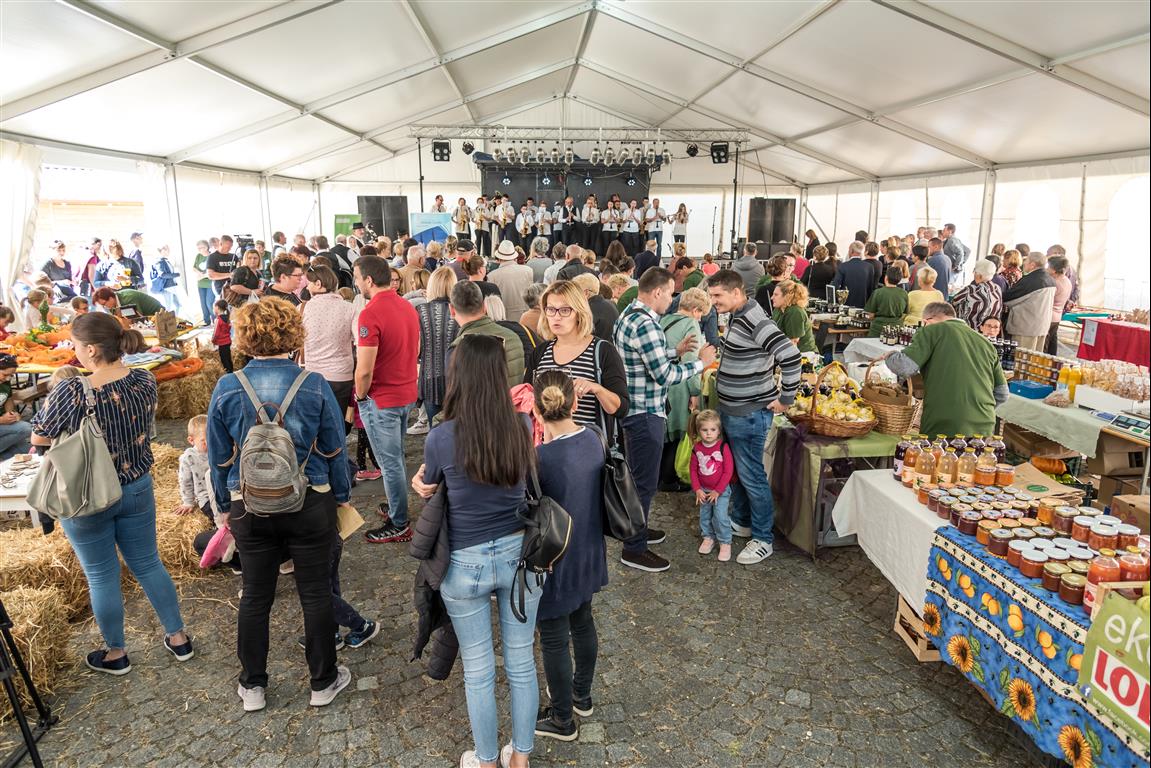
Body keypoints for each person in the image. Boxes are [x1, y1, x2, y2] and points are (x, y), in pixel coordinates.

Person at [207, 299, 353, 712]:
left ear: (245, 337)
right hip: (310, 501)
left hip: (249, 504)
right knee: (315, 593)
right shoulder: (314, 383)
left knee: (255, 595)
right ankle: (322, 682)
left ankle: (253, 685)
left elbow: (218, 457)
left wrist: (222, 504)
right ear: (294, 334)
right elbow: (333, 449)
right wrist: (340, 496)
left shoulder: (227, 386)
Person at [31, 313, 192, 674]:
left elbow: (39, 437)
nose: (74, 351)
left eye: (74, 344)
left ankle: (116, 653)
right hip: (136, 486)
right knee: (149, 563)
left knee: (101, 575)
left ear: (91, 348)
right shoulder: (144, 379)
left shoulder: (73, 389)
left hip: (87, 494)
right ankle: (179, 638)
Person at [411, 334, 539, 768]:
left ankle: (485, 761)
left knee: (479, 668)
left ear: (458, 376)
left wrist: (418, 483)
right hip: (519, 555)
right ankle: (520, 758)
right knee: (521, 663)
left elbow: (432, 490)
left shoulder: (441, 436)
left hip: (463, 562)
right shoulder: (521, 425)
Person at [614, 267, 716, 572]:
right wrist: (700, 363)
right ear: (657, 291)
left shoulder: (630, 315)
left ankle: (638, 530)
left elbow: (643, 357)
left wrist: (674, 350)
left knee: (639, 479)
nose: (671, 299)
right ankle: (634, 548)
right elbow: (665, 375)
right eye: (670, 293)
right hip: (646, 412)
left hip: (633, 408)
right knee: (644, 483)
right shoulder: (646, 324)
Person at [705, 269, 801, 566]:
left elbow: (790, 356)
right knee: (738, 473)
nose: (713, 302)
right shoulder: (738, 314)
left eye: (717, 296)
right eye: (711, 296)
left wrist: (786, 399)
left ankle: (763, 538)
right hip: (735, 412)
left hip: (750, 414)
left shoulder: (754, 319)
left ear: (737, 293)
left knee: (752, 476)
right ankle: (744, 522)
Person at [531, 370, 607, 743]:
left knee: (555, 639)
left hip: (555, 558)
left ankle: (561, 719)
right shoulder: (594, 439)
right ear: (575, 403)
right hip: (590, 548)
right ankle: (581, 695)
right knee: (583, 622)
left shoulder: (540, 458)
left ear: (535, 410)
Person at [354, 256, 419, 544]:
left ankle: (400, 522)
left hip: (382, 399)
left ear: (368, 280)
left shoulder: (370, 313)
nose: (356, 283)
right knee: (396, 457)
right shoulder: (407, 305)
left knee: (389, 462)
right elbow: (415, 350)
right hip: (406, 393)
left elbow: (364, 368)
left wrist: (359, 395)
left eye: (357, 277)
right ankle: (396, 506)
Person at [883, 302, 1008, 437]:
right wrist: (976, 408)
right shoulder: (986, 343)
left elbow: (905, 367)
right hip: (984, 426)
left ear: (927, 321)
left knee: (937, 458)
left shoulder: (931, 330)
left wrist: (890, 355)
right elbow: (1002, 393)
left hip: (945, 424)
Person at [525, 280, 628, 439]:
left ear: (579, 313)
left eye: (565, 310)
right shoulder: (540, 353)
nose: (556, 317)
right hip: (546, 449)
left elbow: (621, 408)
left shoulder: (603, 352)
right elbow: (527, 402)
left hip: (588, 451)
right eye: (551, 309)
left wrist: (596, 388)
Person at [658, 288, 710, 488]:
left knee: (664, 431)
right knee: (679, 432)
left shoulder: (664, 320)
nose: (700, 318)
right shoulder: (691, 326)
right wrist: (696, 392)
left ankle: (660, 475)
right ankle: (670, 478)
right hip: (680, 385)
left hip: (662, 382)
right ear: (696, 310)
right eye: (701, 314)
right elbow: (691, 362)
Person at [300, 265, 358, 418]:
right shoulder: (349, 308)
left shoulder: (303, 308)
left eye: (309, 282)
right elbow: (359, 341)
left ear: (318, 284)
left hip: (311, 375)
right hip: (341, 375)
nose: (307, 286)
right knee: (337, 421)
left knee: (314, 423)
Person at [449, 281, 524, 388]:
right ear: (484, 306)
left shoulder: (458, 348)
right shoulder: (513, 338)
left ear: (451, 310)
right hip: (513, 403)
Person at [689, 410, 734, 562]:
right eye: (705, 430)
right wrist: (697, 489)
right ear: (699, 430)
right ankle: (708, 537)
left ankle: (725, 542)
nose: (709, 433)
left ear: (719, 431)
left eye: (712, 430)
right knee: (705, 515)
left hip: (720, 491)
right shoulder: (696, 448)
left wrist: (717, 491)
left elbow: (728, 472)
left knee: (720, 516)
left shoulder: (723, 447)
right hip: (703, 490)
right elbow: (693, 470)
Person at [1002, 251, 1057, 351]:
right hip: (1042, 327)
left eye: (1026, 261)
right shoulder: (1050, 279)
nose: (1024, 263)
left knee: (1021, 360)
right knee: (1035, 360)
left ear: (1032, 265)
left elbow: (1008, 298)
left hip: (1026, 328)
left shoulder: (1030, 280)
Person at [950, 259, 1003, 331]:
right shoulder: (997, 289)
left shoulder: (971, 290)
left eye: (975, 272)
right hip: (990, 332)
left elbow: (953, 303)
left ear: (980, 276)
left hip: (969, 332)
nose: (973, 274)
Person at [488, 240, 535, 321]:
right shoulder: (528, 270)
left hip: (504, 319)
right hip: (525, 317)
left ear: (499, 257)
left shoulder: (492, 276)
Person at [0, 354, 32, 460]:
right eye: (5, 374)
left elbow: (8, 399)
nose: (8, 378)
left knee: (29, 452)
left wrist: (11, 413)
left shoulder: (5, 381)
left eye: (11, 375)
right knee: (27, 428)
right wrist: (1, 420)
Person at [770, 281, 817, 354]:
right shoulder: (779, 309)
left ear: (787, 296)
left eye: (776, 295)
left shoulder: (795, 312)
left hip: (804, 355)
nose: (772, 297)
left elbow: (793, 343)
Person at [570, 273, 618, 342]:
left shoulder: (587, 311)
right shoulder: (611, 304)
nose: (572, 295)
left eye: (575, 292)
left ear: (586, 293)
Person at [864, 267, 910, 338]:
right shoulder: (904, 293)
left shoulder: (878, 292)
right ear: (900, 279)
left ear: (886, 278)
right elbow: (905, 313)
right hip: (896, 329)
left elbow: (871, 315)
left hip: (878, 328)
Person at [831, 241, 875, 309]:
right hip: (863, 304)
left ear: (851, 251)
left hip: (845, 305)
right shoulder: (869, 267)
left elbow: (835, 286)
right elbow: (870, 288)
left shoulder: (843, 266)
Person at [1044, 254, 1073, 356]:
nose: (1046, 269)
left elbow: (1046, 301)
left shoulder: (1054, 283)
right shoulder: (1067, 281)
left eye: (1048, 266)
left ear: (1053, 269)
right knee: (1052, 343)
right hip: (1057, 316)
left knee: (1045, 346)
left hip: (1048, 316)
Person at [91, 285, 164, 318]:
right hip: (147, 317)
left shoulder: (128, 298)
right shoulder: (112, 306)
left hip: (159, 314)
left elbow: (138, 319)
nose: (105, 307)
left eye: (104, 304)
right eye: (103, 305)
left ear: (110, 298)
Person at [149, 245, 182, 311]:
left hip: (171, 286)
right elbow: (162, 275)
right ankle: (168, 320)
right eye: (167, 249)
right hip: (167, 287)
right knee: (168, 307)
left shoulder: (165, 260)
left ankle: (174, 319)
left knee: (178, 305)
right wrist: (176, 274)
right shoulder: (159, 261)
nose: (169, 251)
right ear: (162, 250)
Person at [191, 239, 214, 325]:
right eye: (198, 248)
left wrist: (203, 276)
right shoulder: (198, 256)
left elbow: (212, 271)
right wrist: (199, 273)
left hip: (210, 283)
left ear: (207, 247)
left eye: (202, 247)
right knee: (203, 303)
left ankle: (215, 320)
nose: (200, 249)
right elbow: (194, 267)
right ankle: (206, 321)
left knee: (209, 302)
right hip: (200, 283)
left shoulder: (212, 256)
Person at [212, 300, 233, 373]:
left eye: (214, 307)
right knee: (228, 358)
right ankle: (231, 371)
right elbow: (229, 328)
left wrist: (213, 341)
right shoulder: (227, 318)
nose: (213, 309)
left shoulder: (218, 320)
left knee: (224, 359)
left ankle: (228, 373)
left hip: (222, 343)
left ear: (217, 308)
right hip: (228, 341)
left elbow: (216, 333)